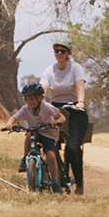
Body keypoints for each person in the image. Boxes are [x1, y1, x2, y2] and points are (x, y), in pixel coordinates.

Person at [40, 39, 89, 195]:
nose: (59, 53)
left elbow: (80, 86)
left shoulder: (75, 68)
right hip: (56, 110)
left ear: (69, 53)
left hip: (75, 111)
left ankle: (79, 184)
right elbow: (43, 90)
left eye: (63, 51)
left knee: (72, 148)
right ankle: (59, 178)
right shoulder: (49, 70)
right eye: (57, 50)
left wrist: (80, 102)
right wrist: (38, 101)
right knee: (50, 147)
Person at [5, 82, 67, 193]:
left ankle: (55, 182)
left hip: (48, 133)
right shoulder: (25, 109)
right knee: (29, 134)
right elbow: (13, 117)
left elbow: (62, 118)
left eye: (32, 99)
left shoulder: (47, 107)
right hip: (34, 132)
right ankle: (25, 158)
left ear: (41, 98)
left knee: (52, 156)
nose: (29, 102)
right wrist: (10, 124)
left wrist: (55, 122)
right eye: (27, 99)